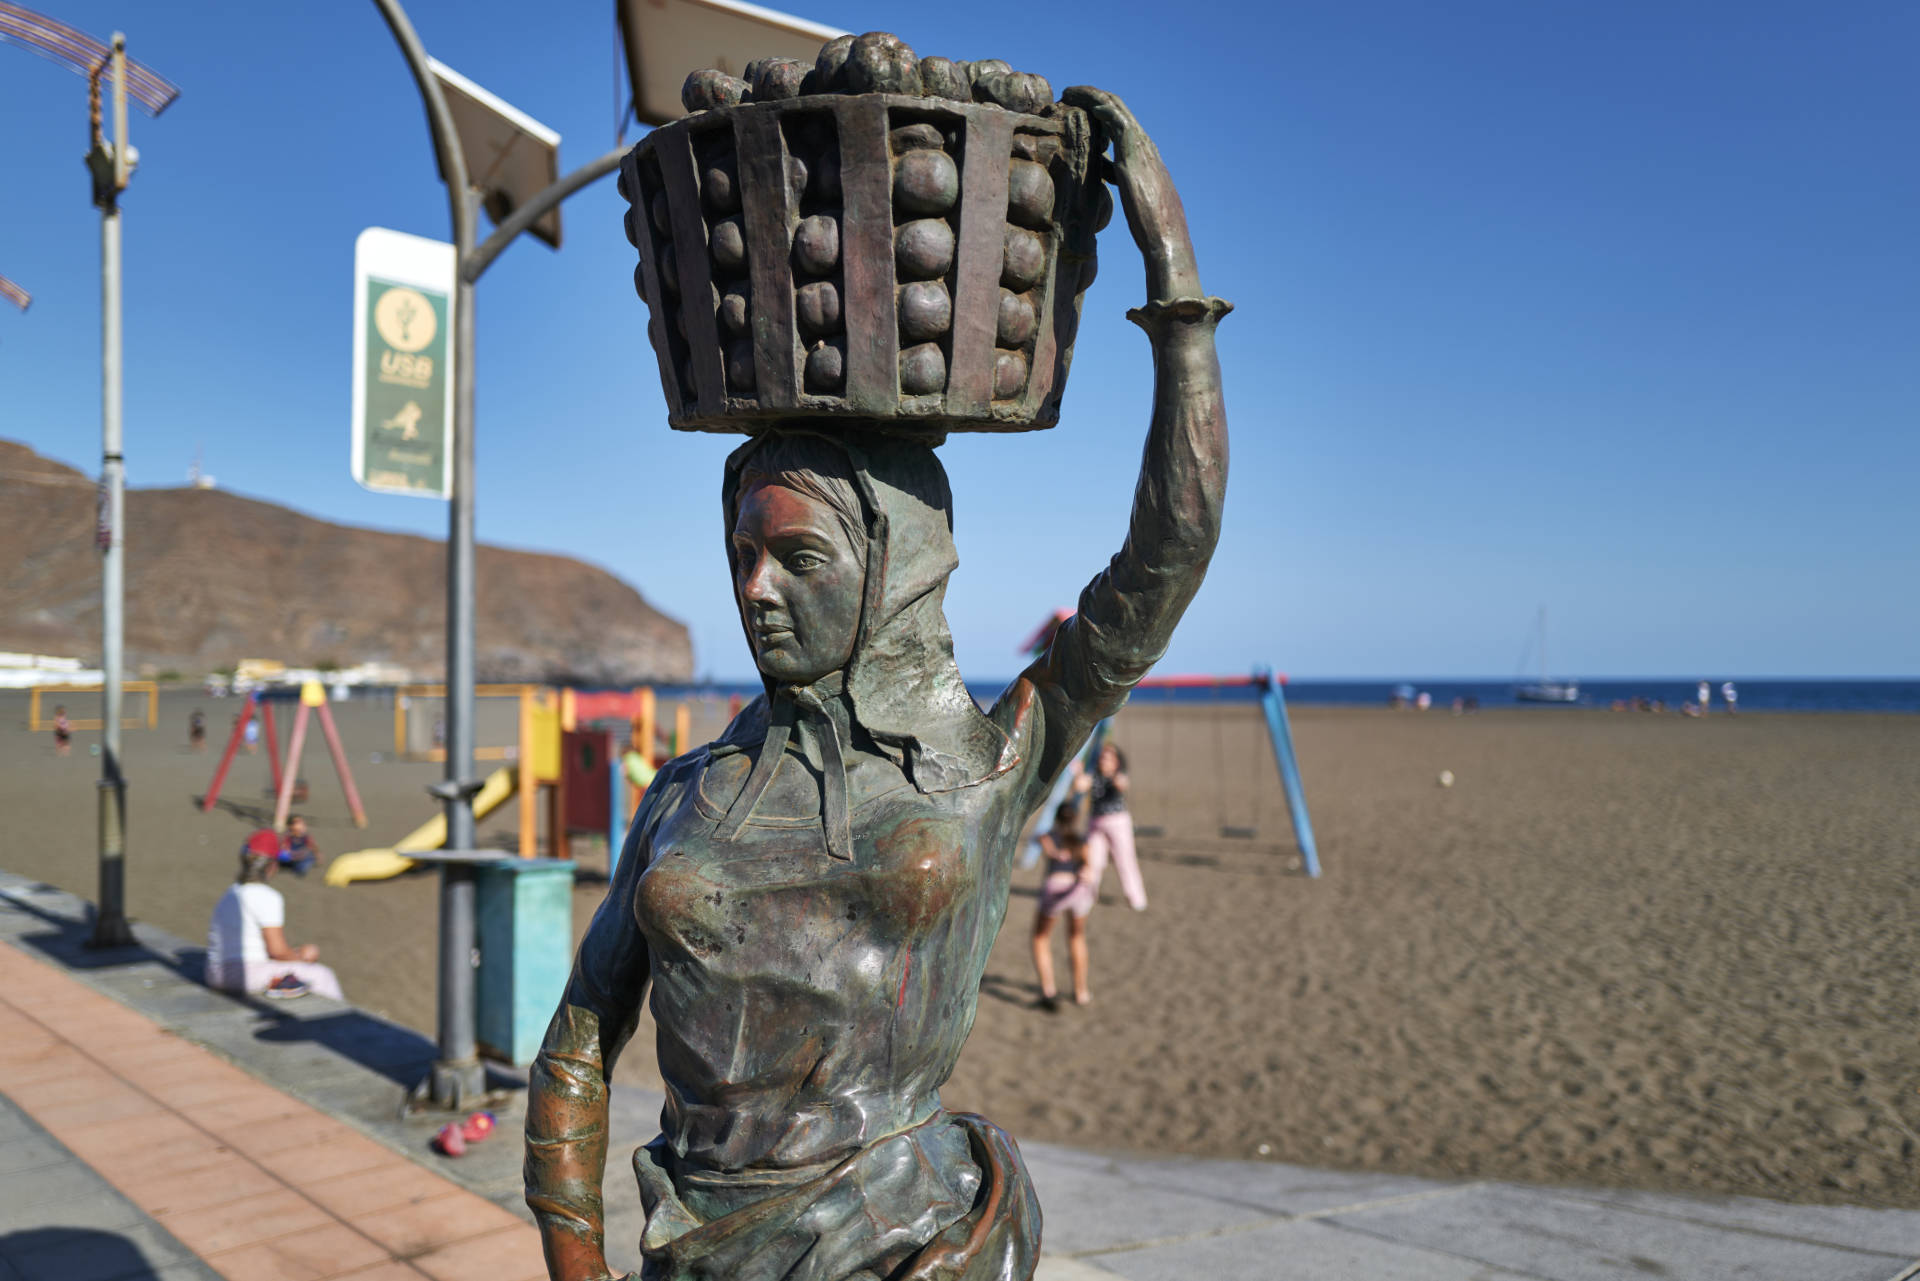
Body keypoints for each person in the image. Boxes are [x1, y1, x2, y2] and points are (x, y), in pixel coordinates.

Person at [524, 84, 1227, 1281]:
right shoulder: (689, 793)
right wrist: (575, 1255)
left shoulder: (991, 758)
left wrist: (1180, 314)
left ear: (895, 567)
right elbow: (581, 1038)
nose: (754, 590)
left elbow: (1162, 564)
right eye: (744, 553)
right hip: (698, 1247)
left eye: (798, 558)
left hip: (913, 1239)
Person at [205, 831, 343, 1000]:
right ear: (272, 866)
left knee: (300, 969)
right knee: (322, 975)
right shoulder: (267, 896)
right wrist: (302, 957)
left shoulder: (231, 892)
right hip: (241, 974)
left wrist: (295, 955)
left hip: (214, 971)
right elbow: (277, 951)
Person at [1030, 802, 1100, 1009]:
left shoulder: (1048, 837)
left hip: (1055, 888)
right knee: (1076, 936)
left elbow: (1043, 844)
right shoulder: (1082, 840)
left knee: (1040, 937)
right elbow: (1088, 865)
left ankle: (1049, 990)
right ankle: (1081, 991)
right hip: (1078, 889)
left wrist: (1055, 852)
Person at [1074, 742, 1147, 911]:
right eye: (1102, 758)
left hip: (1117, 822)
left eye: (1108, 758)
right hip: (1096, 823)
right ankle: (1089, 895)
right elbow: (1080, 786)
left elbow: (1122, 784)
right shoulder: (1093, 776)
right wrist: (1078, 773)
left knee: (1125, 860)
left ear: (1116, 761)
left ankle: (1136, 898)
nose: (1104, 761)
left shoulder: (1118, 776)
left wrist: (1116, 779)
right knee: (1093, 861)